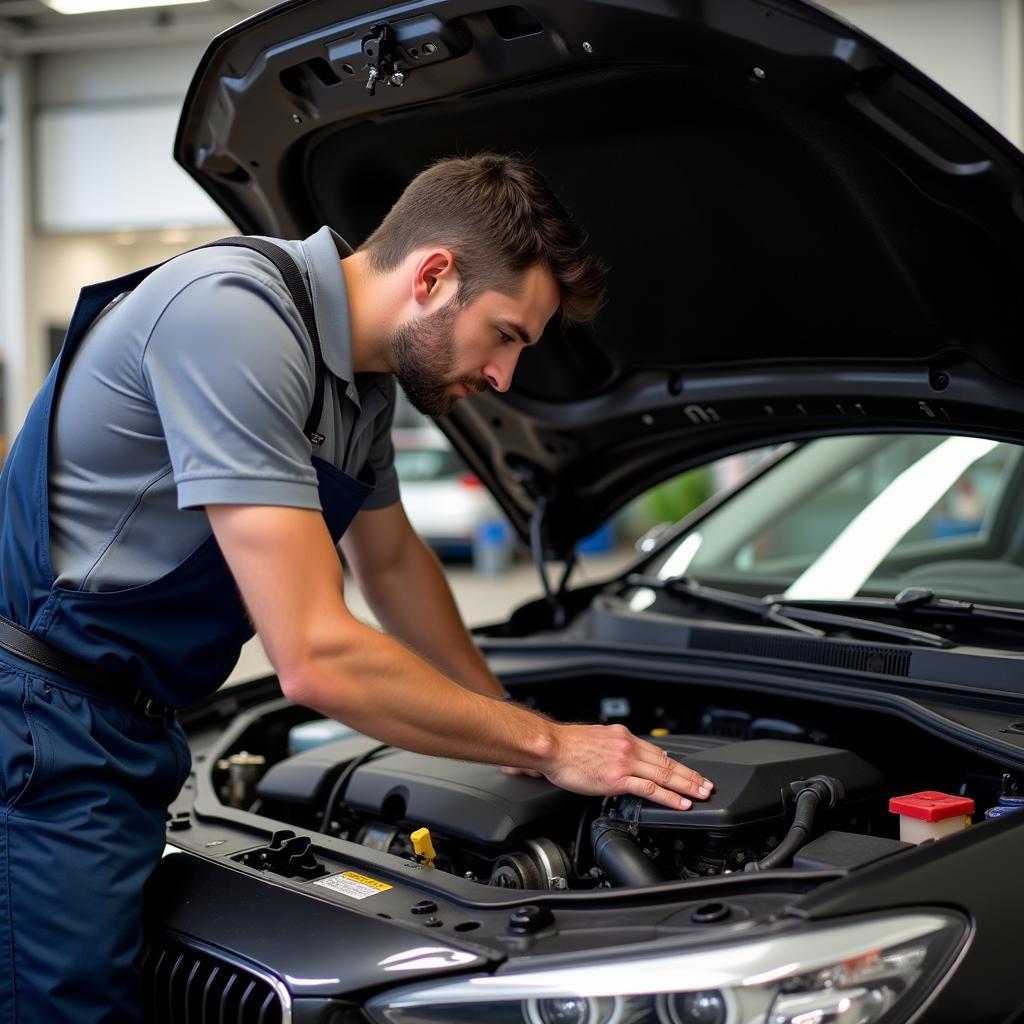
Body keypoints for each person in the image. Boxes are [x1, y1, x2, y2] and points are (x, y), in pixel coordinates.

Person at [0, 153, 713, 1023]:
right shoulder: (235, 316)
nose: (504, 378)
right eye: (507, 335)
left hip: (130, 728)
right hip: (41, 725)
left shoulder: (363, 385)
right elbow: (314, 655)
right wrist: (551, 746)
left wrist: (511, 745)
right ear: (434, 275)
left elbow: (394, 565)